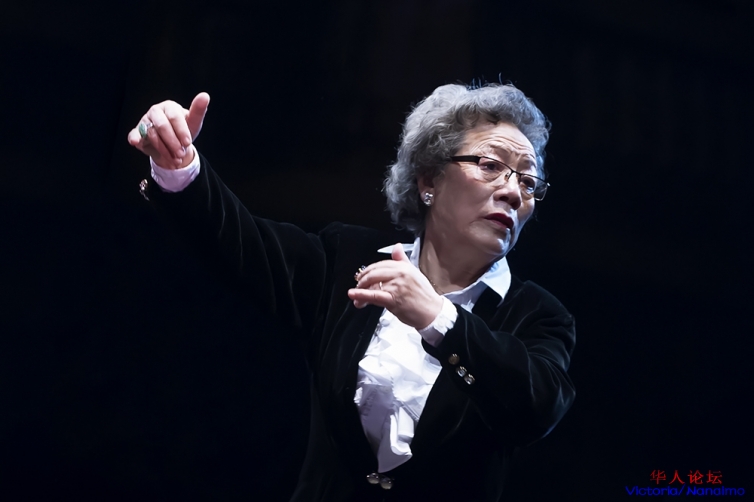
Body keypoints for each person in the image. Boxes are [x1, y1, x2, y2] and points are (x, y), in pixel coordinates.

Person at [128, 83, 575, 502]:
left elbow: (537, 406)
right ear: (429, 181)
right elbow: (244, 246)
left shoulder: (538, 315)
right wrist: (179, 168)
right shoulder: (347, 258)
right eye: (491, 166)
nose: (513, 192)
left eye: (528, 181)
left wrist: (439, 318)